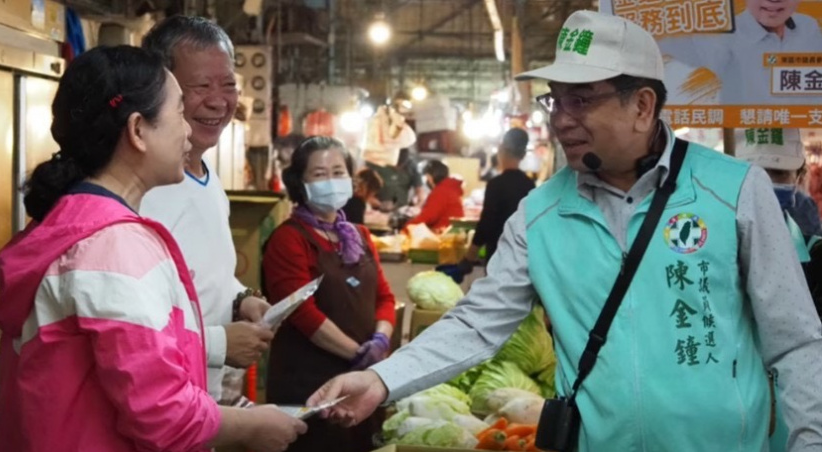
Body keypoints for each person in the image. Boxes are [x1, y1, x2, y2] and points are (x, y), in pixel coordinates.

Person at [308, 10, 822, 452]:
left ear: (643, 105)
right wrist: (382, 379)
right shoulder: (540, 216)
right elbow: (475, 325)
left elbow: (795, 341)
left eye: (583, 100)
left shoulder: (732, 191)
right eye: (556, 100)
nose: (562, 120)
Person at [0, 45, 306, 452]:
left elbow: (133, 353)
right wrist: (249, 426)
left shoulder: (77, 223)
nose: (189, 131)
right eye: (178, 112)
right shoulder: (114, 247)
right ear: (138, 130)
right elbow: (162, 412)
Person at [138, 16, 272, 402]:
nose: (218, 101)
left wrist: (241, 299)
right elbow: (129, 324)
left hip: (199, 399)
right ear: (161, 89)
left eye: (228, 84)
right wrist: (217, 343)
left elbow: (205, 273)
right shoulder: (144, 190)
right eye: (200, 87)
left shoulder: (209, 180)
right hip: (154, 403)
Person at [262, 136, 397, 452]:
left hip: (363, 379)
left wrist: (380, 342)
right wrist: (358, 354)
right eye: (320, 174)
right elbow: (302, 313)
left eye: (338, 172)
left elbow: (385, 298)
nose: (332, 181)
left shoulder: (359, 235)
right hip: (309, 381)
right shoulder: (289, 239)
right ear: (300, 183)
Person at [658, 0, 822, 105]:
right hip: (744, 128)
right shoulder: (721, 35)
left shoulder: (808, 26)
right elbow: (664, 41)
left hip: (801, 128)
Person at [463, 128, 535, 266]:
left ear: (501, 150)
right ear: (523, 155)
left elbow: (486, 222)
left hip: (497, 254)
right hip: (522, 255)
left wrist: (471, 254)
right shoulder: (529, 184)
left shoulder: (496, 184)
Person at [737, 128, 822, 239]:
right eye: (754, 173)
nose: (766, 182)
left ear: (799, 178)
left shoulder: (804, 210)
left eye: (779, 174)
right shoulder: (721, 213)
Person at [404, 160, 464, 232]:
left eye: (427, 176)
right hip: (451, 231)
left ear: (430, 177)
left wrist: (406, 228)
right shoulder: (449, 188)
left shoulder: (441, 191)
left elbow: (428, 216)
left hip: (444, 234)